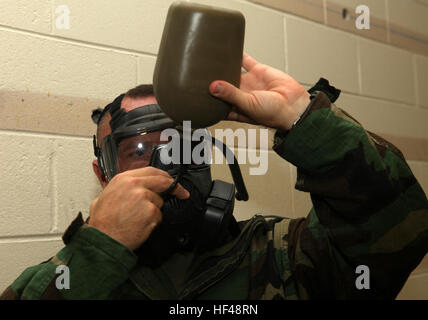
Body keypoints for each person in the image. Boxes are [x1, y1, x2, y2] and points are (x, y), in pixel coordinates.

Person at [1, 53, 427, 300]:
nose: (168, 165)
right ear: (103, 174)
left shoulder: (282, 258)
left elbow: (395, 231)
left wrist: (303, 120)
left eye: (183, 144)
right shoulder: (71, 278)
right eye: (138, 151)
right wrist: (97, 250)